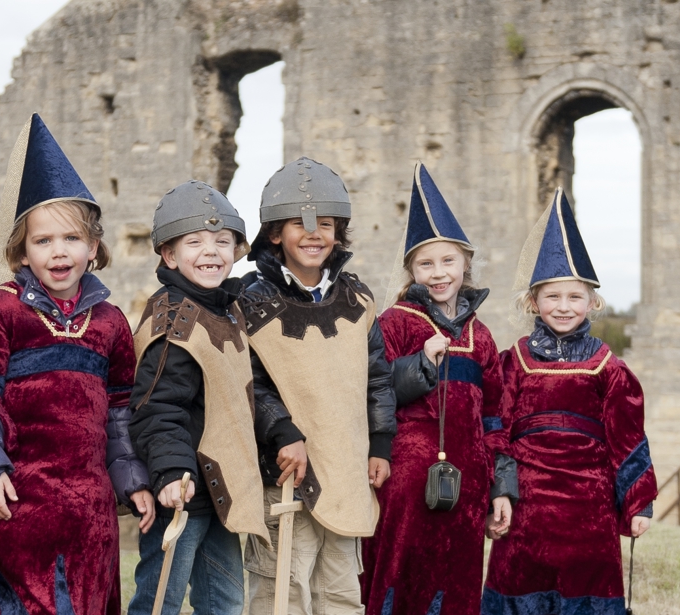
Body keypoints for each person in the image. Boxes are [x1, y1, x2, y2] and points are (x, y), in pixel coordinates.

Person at [0, 114, 151, 615]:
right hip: (16, 498)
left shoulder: (110, 321)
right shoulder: (2, 310)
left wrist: (131, 479)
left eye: (70, 239)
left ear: (93, 247)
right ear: (23, 252)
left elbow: (119, 407)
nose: (58, 252)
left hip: (88, 509)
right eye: (43, 241)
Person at [481, 189, 656, 615]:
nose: (563, 307)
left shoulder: (608, 367)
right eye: (553, 297)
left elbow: (628, 437)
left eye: (574, 297)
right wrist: (499, 492)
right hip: (526, 508)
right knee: (519, 587)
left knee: (586, 591)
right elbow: (496, 431)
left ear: (593, 302)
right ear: (533, 302)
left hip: (588, 510)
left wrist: (638, 502)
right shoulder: (514, 361)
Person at [238, 157, 397, 615]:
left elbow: (377, 377)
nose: (314, 235)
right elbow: (248, 381)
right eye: (299, 225)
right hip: (285, 472)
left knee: (341, 594)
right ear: (274, 234)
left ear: (338, 232)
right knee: (283, 596)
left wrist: (380, 444)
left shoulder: (357, 298)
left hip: (346, 468)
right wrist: (284, 432)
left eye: (325, 224)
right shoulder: (250, 301)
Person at [361, 164, 512, 615]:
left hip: (468, 485)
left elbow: (496, 417)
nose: (439, 273)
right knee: (398, 575)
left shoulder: (481, 335)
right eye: (426, 264)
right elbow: (375, 391)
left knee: (457, 580)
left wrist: (499, 486)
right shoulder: (394, 323)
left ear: (466, 264)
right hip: (405, 483)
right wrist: (421, 362)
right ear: (411, 270)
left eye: (448, 261)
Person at [127, 180, 262, 615]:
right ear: (169, 255)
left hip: (220, 493)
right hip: (182, 493)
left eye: (223, 242)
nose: (211, 251)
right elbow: (157, 407)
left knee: (224, 603)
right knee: (159, 601)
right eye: (195, 242)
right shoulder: (176, 318)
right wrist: (169, 474)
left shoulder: (223, 310)